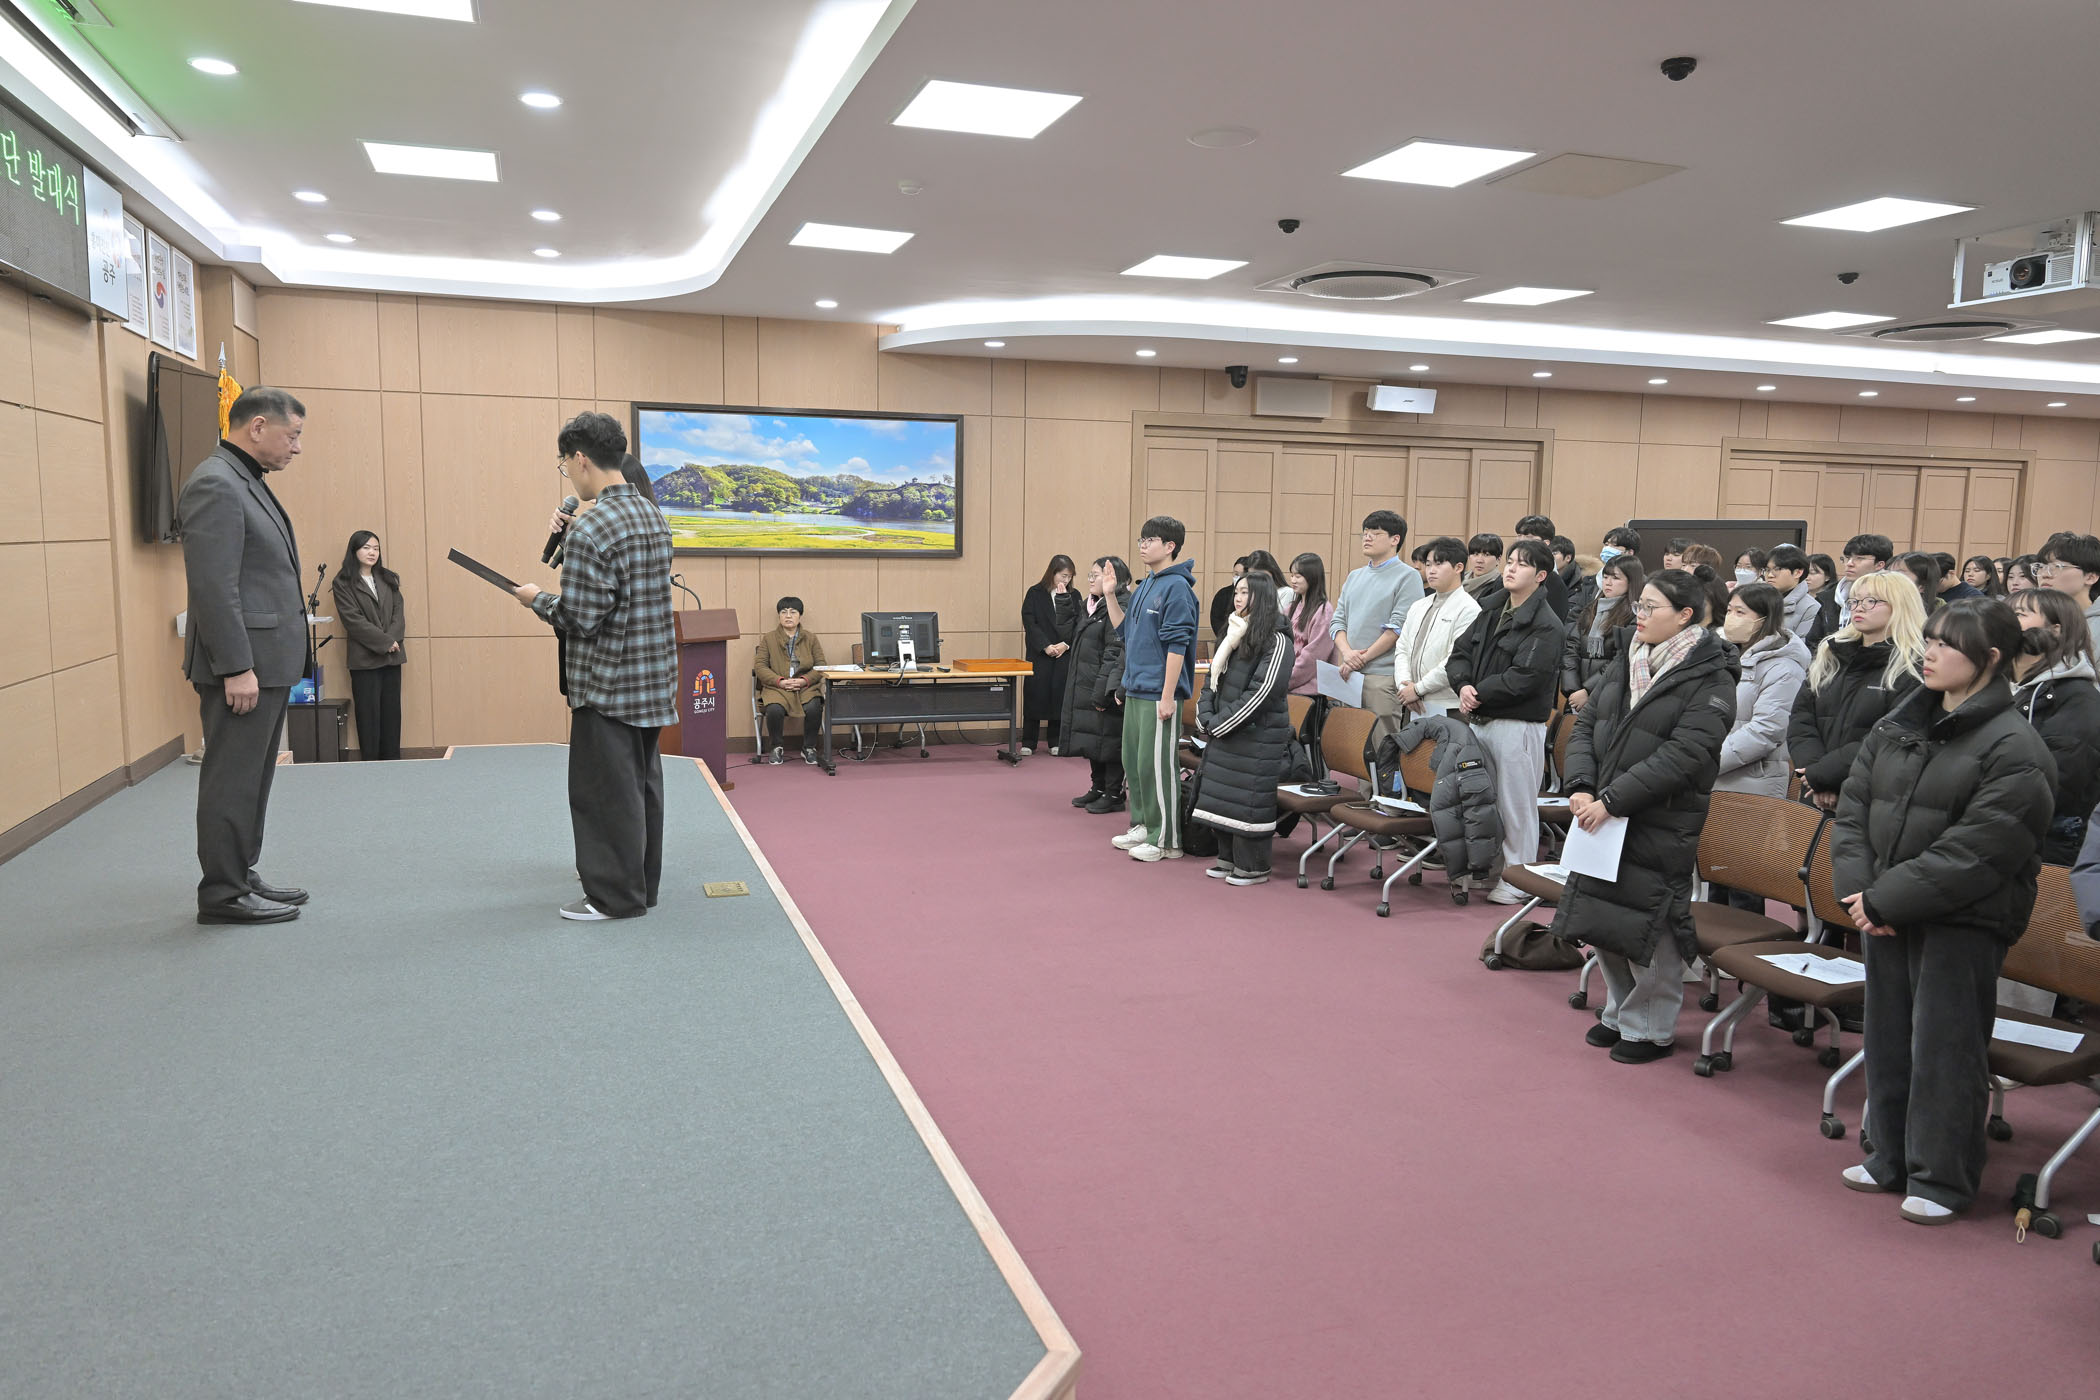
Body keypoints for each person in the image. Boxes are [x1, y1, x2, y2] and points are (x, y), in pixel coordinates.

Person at [1831, 597, 2056, 1224]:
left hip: (1962, 921)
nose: (1928, 653)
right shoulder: (1900, 721)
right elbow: (1854, 807)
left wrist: (1885, 898)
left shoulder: (2016, 747)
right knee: (1887, 1038)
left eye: (1945, 645)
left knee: (1945, 1048)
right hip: (1883, 908)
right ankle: (1889, 1156)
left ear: (1990, 658)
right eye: (1928, 640)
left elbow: (1980, 850)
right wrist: (1862, 892)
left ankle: (1942, 1177)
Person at [1551, 568, 1736, 1063]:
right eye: (1640, 605)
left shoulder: (1712, 676)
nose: (1641, 615)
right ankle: (1619, 1012)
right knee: (1603, 918)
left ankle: (1651, 1028)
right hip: (1603, 811)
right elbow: (1587, 724)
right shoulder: (1629, 656)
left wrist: (1611, 800)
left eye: (1652, 608)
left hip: (1659, 817)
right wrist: (1581, 785)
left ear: (1686, 615)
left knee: (1650, 922)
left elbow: (1686, 754)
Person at [512, 411, 677, 921]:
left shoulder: (591, 527)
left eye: (565, 463)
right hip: (651, 681)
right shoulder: (652, 515)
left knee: (604, 795)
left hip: (607, 684)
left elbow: (580, 617)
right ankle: (641, 887)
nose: (567, 473)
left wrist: (537, 600)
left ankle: (612, 897)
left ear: (581, 459)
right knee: (641, 788)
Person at [178, 387, 312, 925]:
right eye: (292, 435)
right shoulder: (216, 482)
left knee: (253, 778)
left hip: (266, 661)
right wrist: (236, 667)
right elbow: (214, 588)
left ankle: (240, 871)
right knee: (232, 779)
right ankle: (222, 893)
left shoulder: (244, 478)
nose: (296, 447)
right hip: (242, 665)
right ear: (257, 427)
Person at [1445, 538, 1566, 904]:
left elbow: (1525, 677)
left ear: (1541, 576)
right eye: (1510, 561)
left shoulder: (1547, 625)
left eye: (1522, 564)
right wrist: (1463, 685)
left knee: (1516, 807)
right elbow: (1460, 653)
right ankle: (1493, 869)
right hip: (1481, 718)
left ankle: (1519, 878)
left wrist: (1477, 691)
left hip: (1517, 725)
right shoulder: (1491, 608)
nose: (1511, 568)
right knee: (1483, 802)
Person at [1788, 570, 1926, 812]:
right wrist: (1815, 775)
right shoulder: (1831, 654)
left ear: (1901, 606)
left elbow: (1889, 737)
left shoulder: (1914, 667)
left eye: (1871, 601)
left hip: (1871, 795)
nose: (1858, 608)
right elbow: (1802, 718)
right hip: (1814, 788)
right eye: (1854, 601)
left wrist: (1827, 774)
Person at [1711, 583, 1812, 910]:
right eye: (1730, 610)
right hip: (1715, 775)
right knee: (1714, 873)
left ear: (1764, 618)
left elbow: (1767, 730)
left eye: (1741, 612)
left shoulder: (1784, 665)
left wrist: (1709, 758)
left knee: (1742, 882)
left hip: (1752, 778)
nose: (1731, 617)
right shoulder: (1724, 653)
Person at [1105, 515, 1199, 863]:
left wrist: (1167, 696)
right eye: (1141, 540)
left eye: (1150, 540)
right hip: (1136, 688)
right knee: (1135, 763)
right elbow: (1124, 631)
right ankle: (1143, 825)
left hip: (1159, 693)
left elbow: (1177, 645)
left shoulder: (1177, 588)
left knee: (1157, 766)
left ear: (1170, 546)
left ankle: (1166, 840)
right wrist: (1110, 595)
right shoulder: (1146, 584)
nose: (1143, 546)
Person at [1193, 572, 1295, 886]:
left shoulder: (1277, 640)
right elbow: (1212, 678)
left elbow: (1262, 693)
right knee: (1223, 795)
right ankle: (1227, 857)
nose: (1238, 599)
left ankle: (1253, 866)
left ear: (1262, 597)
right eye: (1236, 592)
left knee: (1249, 799)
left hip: (1257, 735)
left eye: (1245, 592)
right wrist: (1205, 715)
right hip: (1226, 730)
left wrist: (1219, 724)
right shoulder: (1234, 631)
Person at [2010, 587, 2100, 864]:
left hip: (2044, 847)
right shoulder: (2003, 686)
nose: (2005, 621)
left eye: (2019, 614)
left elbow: (2054, 784)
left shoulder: (2078, 698)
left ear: (2055, 630)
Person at [1329, 510, 1422, 741]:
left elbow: (1397, 629)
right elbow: (1338, 621)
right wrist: (1347, 653)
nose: (1367, 537)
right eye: (1365, 533)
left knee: (1381, 745)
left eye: (1376, 533)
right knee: (1351, 746)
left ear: (1395, 539)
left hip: (1381, 675)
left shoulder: (1408, 576)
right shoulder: (1354, 576)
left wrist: (1360, 658)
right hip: (1349, 672)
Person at [1063, 556, 1132, 814]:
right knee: (1094, 739)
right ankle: (1098, 787)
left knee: (1110, 741)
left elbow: (1115, 652)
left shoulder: (1120, 606)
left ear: (1114, 579)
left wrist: (1105, 691)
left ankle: (1114, 793)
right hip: (1088, 683)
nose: (1091, 580)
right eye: (1090, 575)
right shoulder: (1091, 605)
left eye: (1096, 575)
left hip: (1106, 686)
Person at [331, 530, 406, 761]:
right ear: (354, 551)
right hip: (364, 660)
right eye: (366, 548)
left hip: (392, 658)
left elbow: (398, 614)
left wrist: (392, 640)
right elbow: (353, 620)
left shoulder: (388, 578)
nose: (372, 552)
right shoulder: (343, 582)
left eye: (376, 548)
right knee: (368, 717)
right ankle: (370, 767)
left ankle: (393, 764)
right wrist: (384, 642)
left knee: (392, 716)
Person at [1392, 535, 1481, 717]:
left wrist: (1418, 689)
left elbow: (1454, 659)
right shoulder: (1419, 605)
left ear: (1458, 567)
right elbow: (1402, 648)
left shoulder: (1469, 609)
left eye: (1439, 564)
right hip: (1412, 701)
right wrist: (1404, 686)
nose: (1431, 570)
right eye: (1428, 564)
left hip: (1447, 705)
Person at [1561, 553, 1644, 712]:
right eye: (1605, 577)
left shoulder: (1635, 615)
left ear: (1631, 581)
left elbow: (1620, 660)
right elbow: (1571, 648)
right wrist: (1573, 689)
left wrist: (1588, 690)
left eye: (1616, 578)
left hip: (1609, 697)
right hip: (1577, 697)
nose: (1608, 582)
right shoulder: (1591, 608)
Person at [754, 597, 827, 766]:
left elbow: (821, 665)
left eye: (793, 612)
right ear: (779, 616)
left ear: (800, 616)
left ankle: (809, 747)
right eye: (783, 612)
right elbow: (760, 666)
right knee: (774, 708)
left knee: (814, 706)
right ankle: (776, 747)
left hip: (805, 687)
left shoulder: (811, 638)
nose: (788, 616)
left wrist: (804, 680)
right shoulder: (769, 638)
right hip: (777, 687)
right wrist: (779, 681)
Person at [1022, 555, 1077, 755]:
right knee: (1034, 695)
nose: (1066, 580)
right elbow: (1030, 622)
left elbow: (1078, 622)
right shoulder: (1035, 593)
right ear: (1052, 573)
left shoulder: (1075, 595)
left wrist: (1065, 644)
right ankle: (1029, 741)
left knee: (1059, 696)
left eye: (1069, 577)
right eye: (1063, 576)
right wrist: (1045, 645)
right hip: (1040, 653)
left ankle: (1055, 740)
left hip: (1063, 653)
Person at [2035, 531, 2100, 654]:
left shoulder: (2096, 626)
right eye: (2041, 567)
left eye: (2057, 567)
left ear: (2090, 577)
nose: (2044, 574)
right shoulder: (2035, 618)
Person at [1284, 552, 1334, 697]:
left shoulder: (1323, 611)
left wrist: (1284, 680)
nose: (1293, 580)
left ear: (1312, 577)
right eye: (1292, 575)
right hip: (1287, 687)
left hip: (1309, 692)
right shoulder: (1290, 608)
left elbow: (1312, 657)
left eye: (1298, 576)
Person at [1512, 515, 1571, 619]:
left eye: (1528, 537)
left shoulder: (1553, 581)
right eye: (1519, 535)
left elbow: (1554, 622)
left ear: (1545, 543)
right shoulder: (1512, 571)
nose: (1520, 541)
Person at [1764, 544, 1818, 639]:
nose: (1770, 575)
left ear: (1798, 572)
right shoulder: (1760, 600)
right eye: (1767, 570)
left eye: (1777, 569)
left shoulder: (1811, 608)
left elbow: (1801, 646)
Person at [1804, 552, 1842, 647]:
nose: (1807, 578)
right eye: (1805, 573)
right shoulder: (1799, 600)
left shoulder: (1834, 602)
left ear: (1827, 576)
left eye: (1813, 573)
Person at [1210, 557, 1247, 640]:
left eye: (1242, 575)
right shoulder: (1222, 594)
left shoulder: (1254, 595)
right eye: (1236, 574)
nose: (1238, 578)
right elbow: (1216, 620)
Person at [1462, 532, 1504, 598]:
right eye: (1475, 554)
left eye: (1486, 555)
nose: (1479, 560)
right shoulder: (1459, 580)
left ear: (1498, 559)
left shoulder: (1501, 587)